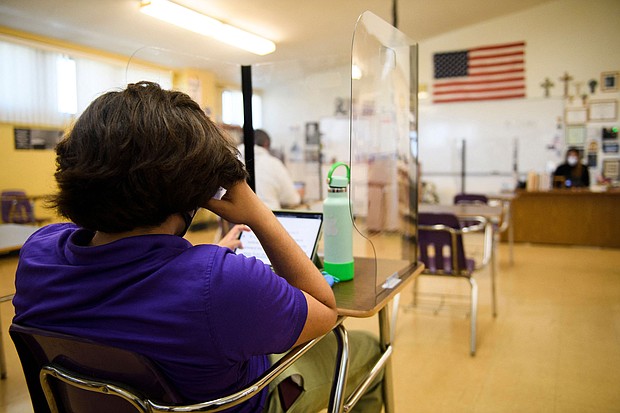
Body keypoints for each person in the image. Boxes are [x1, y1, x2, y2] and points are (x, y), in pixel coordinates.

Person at [12, 82, 383, 413]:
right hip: (255, 398)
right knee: (368, 350)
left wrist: (204, 259)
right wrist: (259, 216)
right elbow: (325, 310)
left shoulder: (37, 255)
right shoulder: (220, 283)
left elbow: (125, 258)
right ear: (196, 192)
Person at [238, 129, 302, 209]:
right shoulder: (273, 163)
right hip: (268, 217)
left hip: (236, 219)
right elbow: (292, 200)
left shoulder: (233, 161)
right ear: (266, 144)